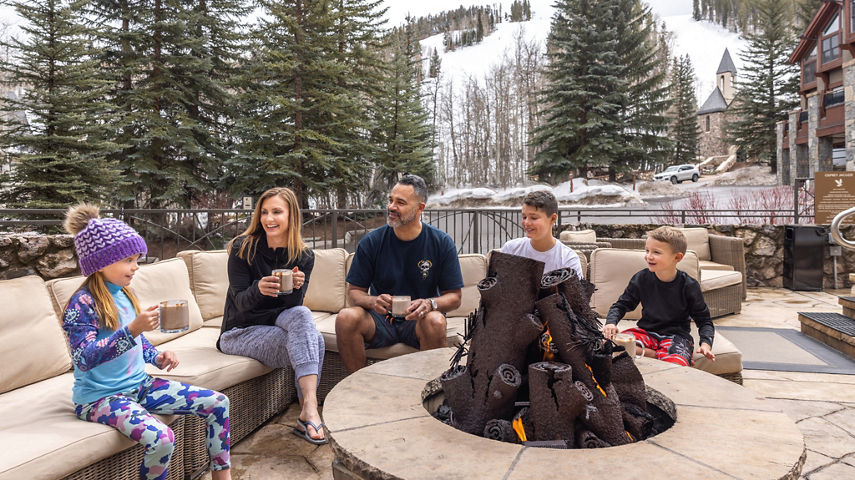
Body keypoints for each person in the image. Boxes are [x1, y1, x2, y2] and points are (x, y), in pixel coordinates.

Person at [61, 204, 231, 480]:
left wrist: (156, 356)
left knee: (218, 402)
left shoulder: (125, 293)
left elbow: (137, 343)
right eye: (128, 260)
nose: (136, 266)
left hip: (140, 386)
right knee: (162, 438)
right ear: (102, 262)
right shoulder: (81, 304)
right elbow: (83, 358)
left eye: (137, 259)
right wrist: (131, 331)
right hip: (101, 399)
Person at [217, 187, 326, 445]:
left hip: (276, 322)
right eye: (264, 212)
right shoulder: (242, 248)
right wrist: (259, 289)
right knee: (315, 342)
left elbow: (292, 308)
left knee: (302, 314)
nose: (269, 219)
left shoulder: (303, 256)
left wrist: (296, 287)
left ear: (291, 216)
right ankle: (308, 412)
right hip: (239, 331)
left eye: (277, 212)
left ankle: (307, 410)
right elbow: (241, 304)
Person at [335, 174, 464, 373]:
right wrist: (373, 301)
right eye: (390, 200)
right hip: (380, 321)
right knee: (346, 317)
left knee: (435, 320)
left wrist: (430, 303)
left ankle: (430, 392)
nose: (391, 207)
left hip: (418, 320)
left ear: (420, 208)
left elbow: (455, 297)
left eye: (400, 202)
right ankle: (357, 387)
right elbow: (354, 293)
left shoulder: (441, 242)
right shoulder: (372, 242)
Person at [602, 226, 716, 366]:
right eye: (647, 250)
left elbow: (704, 321)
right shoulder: (641, 278)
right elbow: (621, 305)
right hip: (645, 332)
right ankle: (656, 354)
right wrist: (611, 323)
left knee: (676, 364)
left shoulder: (689, 285)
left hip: (676, 337)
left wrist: (706, 345)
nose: (649, 256)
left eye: (656, 252)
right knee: (606, 345)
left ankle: (672, 354)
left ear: (677, 257)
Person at [500, 190, 583, 278]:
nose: (526, 222)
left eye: (534, 218)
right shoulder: (510, 250)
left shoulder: (568, 259)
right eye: (524, 217)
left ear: (552, 219)